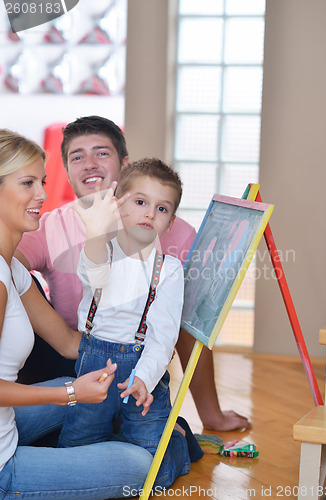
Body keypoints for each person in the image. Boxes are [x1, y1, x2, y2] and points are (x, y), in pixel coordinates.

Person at [15, 115, 251, 432]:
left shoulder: (172, 231)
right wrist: (68, 342)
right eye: (77, 156)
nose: (89, 164)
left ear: (125, 164)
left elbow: (189, 328)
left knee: (173, 312)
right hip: (71, 353)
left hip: (138, 358)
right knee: (15, 275)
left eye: (101, 152)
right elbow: (8, 261)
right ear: (68, 170)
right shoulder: (52, 224)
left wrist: (212, 415)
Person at [0, 128, 156, 498]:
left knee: (68, 388)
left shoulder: (12, 269)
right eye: (27, 183)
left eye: (43, 181)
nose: (42, 194)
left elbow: (71, 344)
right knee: (139, 466)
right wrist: (72, 393)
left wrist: (144, 360)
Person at [58, 159, 203, 483]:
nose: (150, 213)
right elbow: (93, 273)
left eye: (161, 208)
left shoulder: (169, 270)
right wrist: (95, 232)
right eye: (140, 202)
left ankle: (178, 440)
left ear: (170, 221)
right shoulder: (100, 250)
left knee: (153, 471)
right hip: (93, 366)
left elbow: (163, 337)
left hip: (141, 371)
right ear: (117, 206)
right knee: (74, 446)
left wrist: (145, 378)